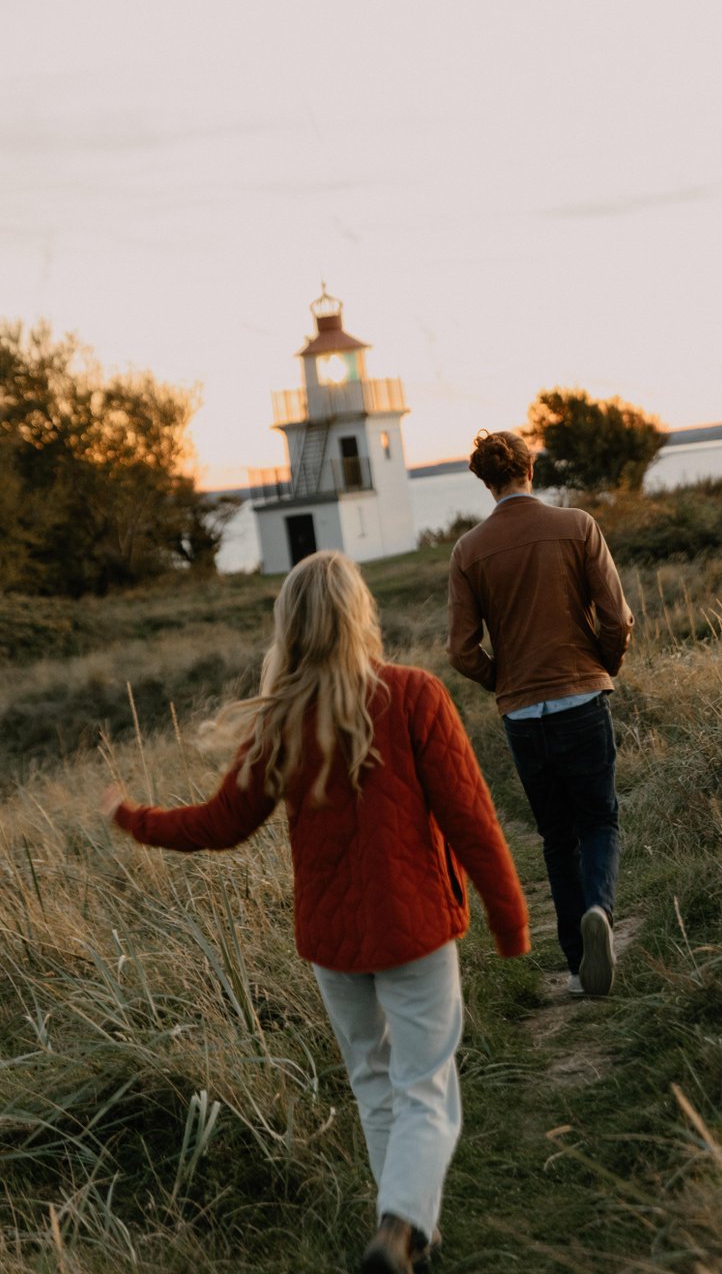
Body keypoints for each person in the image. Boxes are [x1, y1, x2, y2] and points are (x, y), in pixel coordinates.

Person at [102, 551, 529, 1274]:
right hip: (415, 927)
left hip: (334, 943)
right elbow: (473, 819)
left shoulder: (282, 723)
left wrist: (134, 818)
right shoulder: (414, 695)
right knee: (424, 1084)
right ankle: (399, 1232)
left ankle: (407, 1240)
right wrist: (510, 918)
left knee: (374, 1081)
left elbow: (218, 824)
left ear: (290, 629)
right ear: (360, 613)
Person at [447, 429, 634, 999]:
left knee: (556, 838)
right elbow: (617, 619)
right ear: (532, 469)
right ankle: (598, 909)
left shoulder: (468, 551)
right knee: (599, 820)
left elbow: (460, 649)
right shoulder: (577, 526)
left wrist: (503, 682)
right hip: (582, 700)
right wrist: (603, 665)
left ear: (484, 481)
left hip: (524, 715)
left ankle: (579, 969)